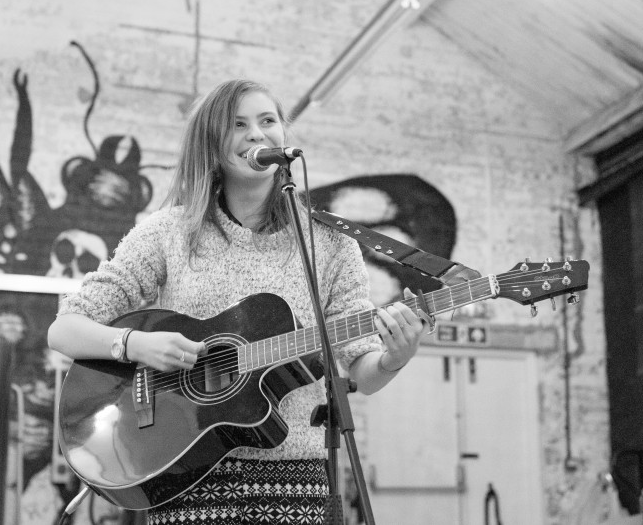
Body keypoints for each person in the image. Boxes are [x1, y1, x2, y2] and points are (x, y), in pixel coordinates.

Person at [47, 78, 425, 525]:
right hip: (187, 477)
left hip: (296, 482)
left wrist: (395, 358)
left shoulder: (330, 242)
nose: (257, 134)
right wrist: (135, 345)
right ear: (211, 146)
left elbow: (361, 366)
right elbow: (64, 330)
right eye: (238, 124)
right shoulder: (169, 231)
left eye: (268, 121)